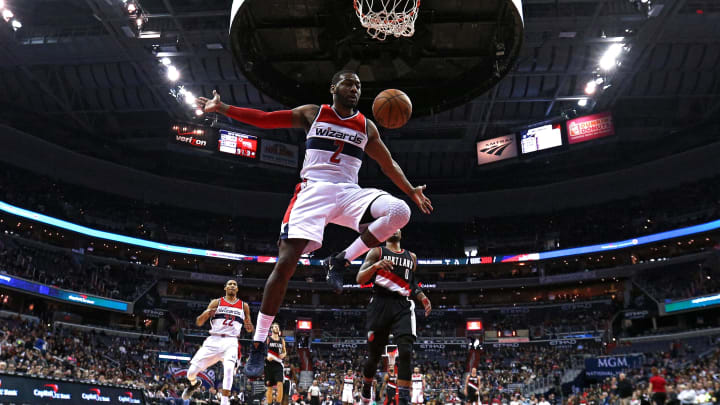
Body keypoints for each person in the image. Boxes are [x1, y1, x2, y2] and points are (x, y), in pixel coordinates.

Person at [197, 71, 433, 378]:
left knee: (401, 212)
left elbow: (388, 164)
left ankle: (341, 260)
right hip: (313, 191)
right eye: (349, 83)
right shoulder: (314, 113)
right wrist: (224, 108)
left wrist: (411, 189)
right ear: (334, 87)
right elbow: (266, 119)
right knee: (285, 265)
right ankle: (258, 343)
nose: (355, 89)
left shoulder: (367, 126)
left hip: (349, 192)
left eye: (359, 86)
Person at [355, 229, 432, 405]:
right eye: (391, 226)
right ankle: (366, 385)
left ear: (402, 232)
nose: (395, 229)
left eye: (398, 226)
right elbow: (359, 278)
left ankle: (404, 399)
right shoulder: (377, 251)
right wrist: (375, 266)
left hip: (402, 305)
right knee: (374, 357)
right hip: (380, 304)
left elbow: (411, 284)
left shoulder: (411, 257)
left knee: (405, 351)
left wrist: (422, 297)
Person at [181, 280, 254, 405]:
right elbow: (199, 322)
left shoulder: (244, 306)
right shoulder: (216, 302)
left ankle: (224, 402)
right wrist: (208, 313)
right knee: (190, 373)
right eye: (230, 284)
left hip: (231, 341)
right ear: (225, 287)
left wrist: (248, 324)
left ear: (237, 289)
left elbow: (249, 328)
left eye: (234, 284)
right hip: (213, 340)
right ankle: (194, 384)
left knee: (230, 369)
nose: (232, 286)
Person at [266, 323, 287, 405]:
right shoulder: (268, 339)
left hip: (278, 365)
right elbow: (263, 350)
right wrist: (266, 357)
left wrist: (284, 354)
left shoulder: (282, 340)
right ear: (271, 329)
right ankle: (269, 403)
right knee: (269, 387)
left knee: (280, 384)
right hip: (269, 364)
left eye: (278, 327)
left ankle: (278, 403)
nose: (277, 328)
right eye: (275, 327)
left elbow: (284, 351)